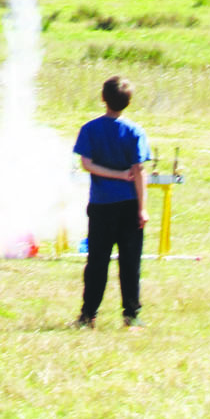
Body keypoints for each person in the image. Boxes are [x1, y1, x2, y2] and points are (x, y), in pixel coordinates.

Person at [73, 74, 150, 329]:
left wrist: (112, 175)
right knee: (130, 263)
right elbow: (138, 170)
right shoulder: (135, 131)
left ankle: (88, 315)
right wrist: (142, 208)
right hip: (129, 205)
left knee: (97, 262)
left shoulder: (90, 129)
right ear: (128, 101)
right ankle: (132, 315)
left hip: (101, 205)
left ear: (103, 98)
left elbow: (86, 164)